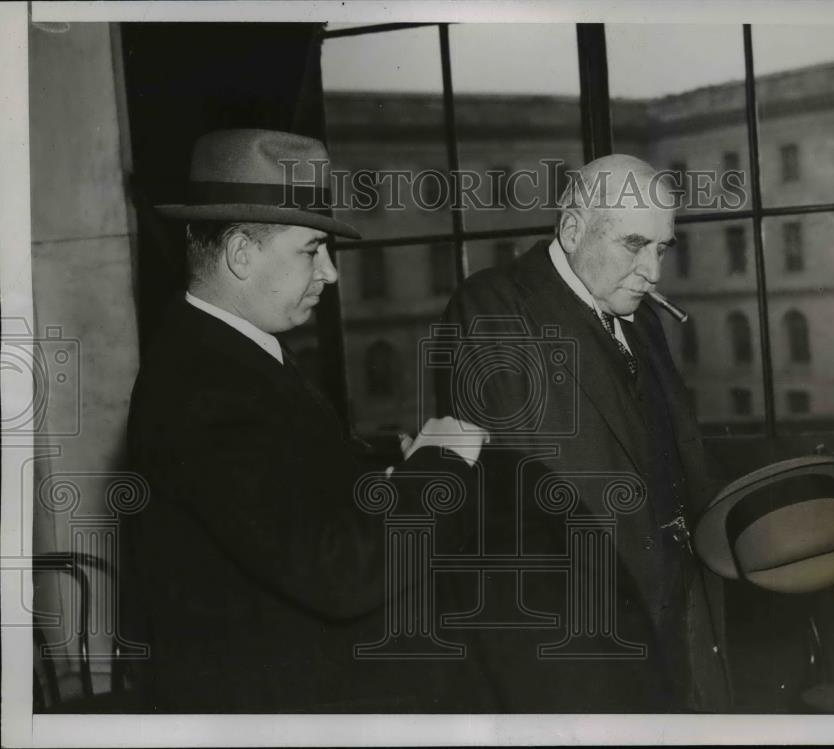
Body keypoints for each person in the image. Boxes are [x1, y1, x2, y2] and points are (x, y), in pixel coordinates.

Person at [123, 129, 487, 712]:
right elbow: (338, 572)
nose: (331, 274)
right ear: (241, 253)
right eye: (312, 249)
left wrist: (395, 466)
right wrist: (441, 463)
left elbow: (288, 488)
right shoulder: (207, 386)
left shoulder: (228, 352)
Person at [435, 154, 730, 712]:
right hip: (584, 630)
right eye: (634, 244)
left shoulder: (632, 306)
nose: (654, 271)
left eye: (662, 247)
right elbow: (526, 505)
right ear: (572, 230)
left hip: (675, 605)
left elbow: (674, 445)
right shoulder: (494, 308)